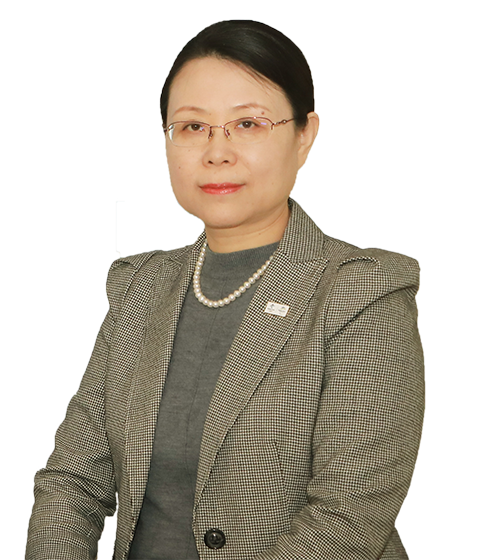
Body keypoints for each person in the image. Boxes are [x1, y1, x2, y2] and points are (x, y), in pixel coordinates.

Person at [25, 20, 425, 560]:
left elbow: (348, 517)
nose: (217, 152)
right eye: (193, 126)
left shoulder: (362, 291)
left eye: (248, 124)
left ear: (304, 134)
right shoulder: (140, 287)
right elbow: (71, 482)